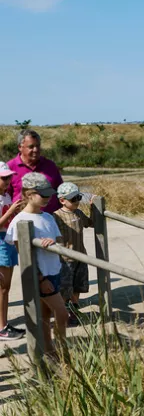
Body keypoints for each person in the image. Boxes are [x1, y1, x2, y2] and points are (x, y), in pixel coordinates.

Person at [6, 173, 69, 356]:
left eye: (49, 194)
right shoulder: (19, 221)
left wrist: (52, 241)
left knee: (45, 317)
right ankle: (62, 350)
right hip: (41, 276)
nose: (48, 198)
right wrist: (41, 279)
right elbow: (24, 254)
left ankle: (49, 352)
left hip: (54, 270)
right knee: (62, 314)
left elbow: (59, 240)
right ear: (27, 194)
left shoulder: (48, 217)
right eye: (43, 194)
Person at [53, 182, 94, 325]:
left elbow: (91, 223)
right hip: (65, 259)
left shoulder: (79, 213)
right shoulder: (56, 216)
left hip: (80, 255)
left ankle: (74, 311)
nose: (77, 201)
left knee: (78, 286)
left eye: (78, 197)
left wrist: (93, 208)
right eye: (73, 199)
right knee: (65, 287)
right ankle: (63, 312)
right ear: (62, 200)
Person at [8, 129, 63, 214]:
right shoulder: (10, 168)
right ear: (20, 147)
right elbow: (4, 197)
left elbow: (61, 191)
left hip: (50, 219)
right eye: (31, 147)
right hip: (22, 220)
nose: (36, 150)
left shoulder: (50, 165)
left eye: (38, 146)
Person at [0, 161, 24, 340]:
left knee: (5, 288)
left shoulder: (5, 196)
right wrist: (11, 212)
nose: (7, 181)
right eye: (3, 178)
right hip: (1, 243)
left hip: (7, 241)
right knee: (2, 288)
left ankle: (4, 324)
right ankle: (2, 328)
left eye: (9, 177)